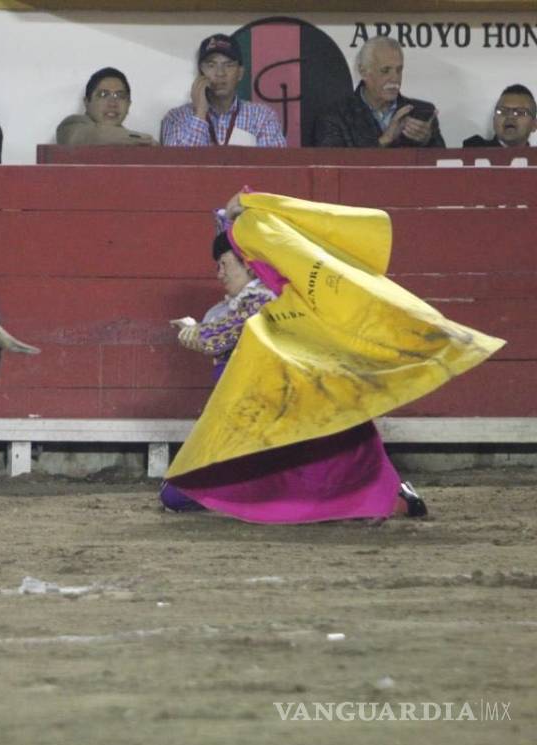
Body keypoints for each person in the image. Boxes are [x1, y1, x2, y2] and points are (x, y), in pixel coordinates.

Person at [161, 190, 504, 524]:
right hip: (298, 417)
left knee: (187, 493)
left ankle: (382, 497)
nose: (218, 273)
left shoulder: (262, 300)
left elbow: (216, 337)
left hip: (284, 421)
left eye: (224, 264)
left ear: (251, 267)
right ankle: (383, 496)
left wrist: (192, 331)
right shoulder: (285, 298)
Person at [312, 35, 443, 148]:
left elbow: (444, 168)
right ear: (363, 72)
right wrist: (385, 140)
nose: (395, 78)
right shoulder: (334, 117)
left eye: (398, 70)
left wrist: (427, 141)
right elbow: (333, 169)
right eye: (385, 71)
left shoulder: (420, 114)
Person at [159, 34, 286, 148]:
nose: (220, 73)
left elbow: (275, 170)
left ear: (240, 73)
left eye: (228, 65)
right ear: (200, 73)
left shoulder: (262, 117)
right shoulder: (176, 118)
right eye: (211, 65)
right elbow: (180, 169)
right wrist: (200, 114)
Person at [55, 67, 156, 146]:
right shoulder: (71, 126)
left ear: (129, 105)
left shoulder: (131, 139)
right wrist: (146, 140)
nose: (112, 103)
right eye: (103, 95)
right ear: (87, 102)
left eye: (120, 96)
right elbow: (97, 136)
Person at [462, 84, 536, 148]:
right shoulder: (474, 149)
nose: (510, 117)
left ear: (534, 125)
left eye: (520, 112)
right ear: (494, 121)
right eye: (502, 111)